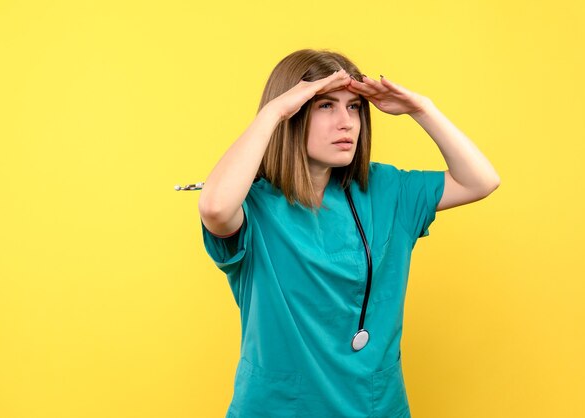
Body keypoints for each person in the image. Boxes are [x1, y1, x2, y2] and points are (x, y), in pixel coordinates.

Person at [198, 48, 500, 418]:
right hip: (278, 408)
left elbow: (481, 180)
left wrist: (422, 109)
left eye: (354, 106)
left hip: (373, 406)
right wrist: (272, 113)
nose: (347, 123)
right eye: (325, 105)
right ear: (294, 111)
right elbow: (214, 208)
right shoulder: (253, 205)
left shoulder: (386, 190)